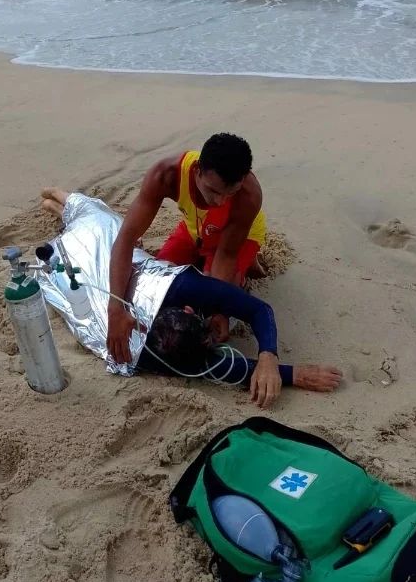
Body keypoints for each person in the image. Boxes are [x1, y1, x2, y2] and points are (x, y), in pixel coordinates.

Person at [40, 188, 342, 408]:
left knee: (90, 216)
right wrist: (293, 375)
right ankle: (53, 199)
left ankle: (53, 198)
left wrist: (269, 359)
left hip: (81, 256)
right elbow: (225, 369)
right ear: (188, 309)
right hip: (64, 263)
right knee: (89, 219)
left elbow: (257, 312)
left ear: (188, 308)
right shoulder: (153, 352)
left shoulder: (172, 306)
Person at [105, 133, 267, 365]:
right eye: (214, 191)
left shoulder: (249, 196)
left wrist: (217, 310)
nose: (220, 201)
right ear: (198, 171)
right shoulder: (165, 175)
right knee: (161, 279)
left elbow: (226, 253)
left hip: (236, 236)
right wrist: (115, 308)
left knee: (216, 299)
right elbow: (126, 239)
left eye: (229, 194)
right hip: (196, 229)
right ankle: (237, 263)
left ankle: (247, 264)